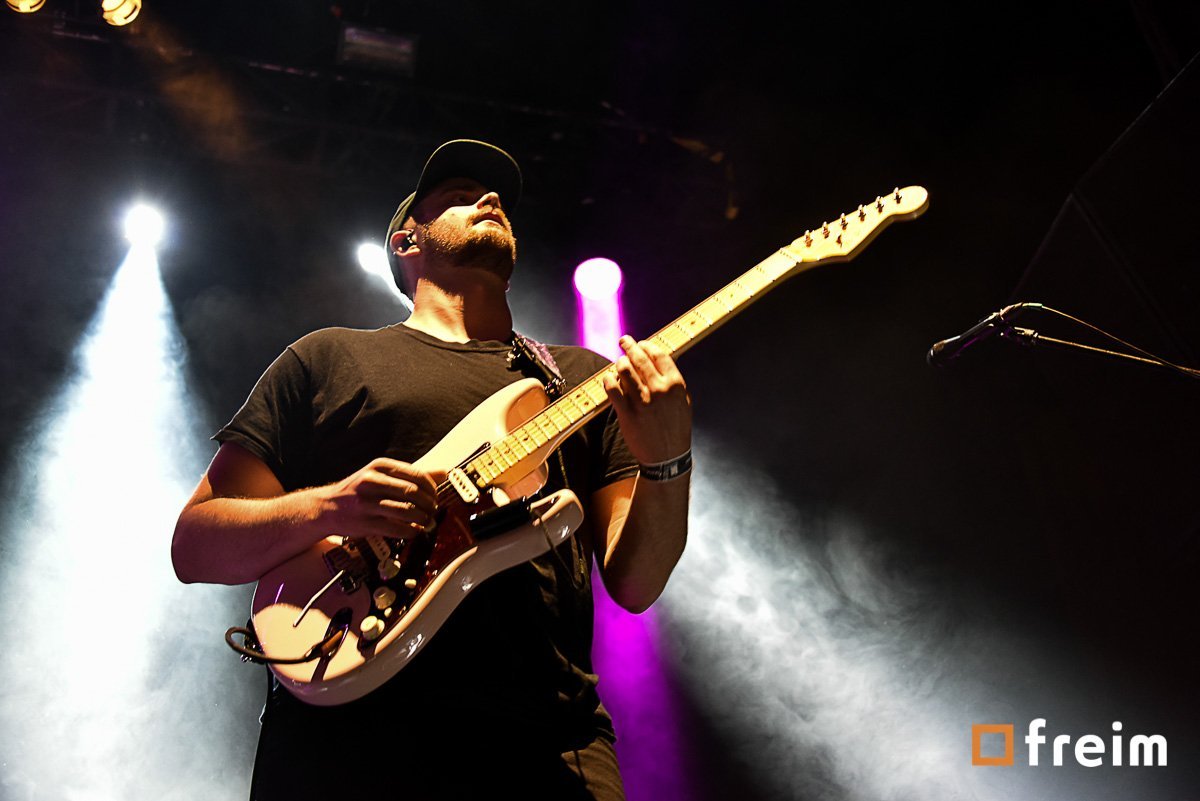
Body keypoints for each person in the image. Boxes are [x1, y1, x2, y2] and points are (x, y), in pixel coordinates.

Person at [171, 139, 692, 800]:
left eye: (496, 197)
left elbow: (637, 582)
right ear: (405, 241)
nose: (491, 199)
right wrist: (332, 507)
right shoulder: (327, 360)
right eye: (460, 195)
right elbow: (196, 544)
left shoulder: (581, 379)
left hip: (546, 746)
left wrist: (668, 457)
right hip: (347, 741)